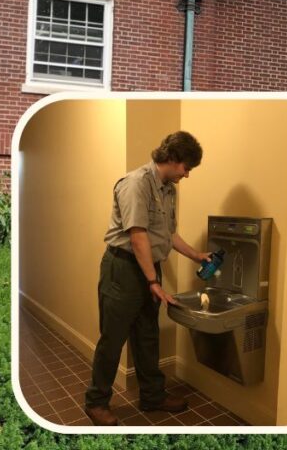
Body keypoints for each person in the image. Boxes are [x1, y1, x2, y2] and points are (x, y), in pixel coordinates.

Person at [84, 131, 211, 426]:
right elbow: (138, 236)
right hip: (124, 270)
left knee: (147, 336)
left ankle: (153, 396)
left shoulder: (169, 189)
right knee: (112, 339)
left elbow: (167, 234)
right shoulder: (136, 184)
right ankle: (96, 402)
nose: (187, 175)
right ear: (174, 158)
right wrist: (153, 281)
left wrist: (195, 255)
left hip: (149, 269)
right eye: (187, 168)